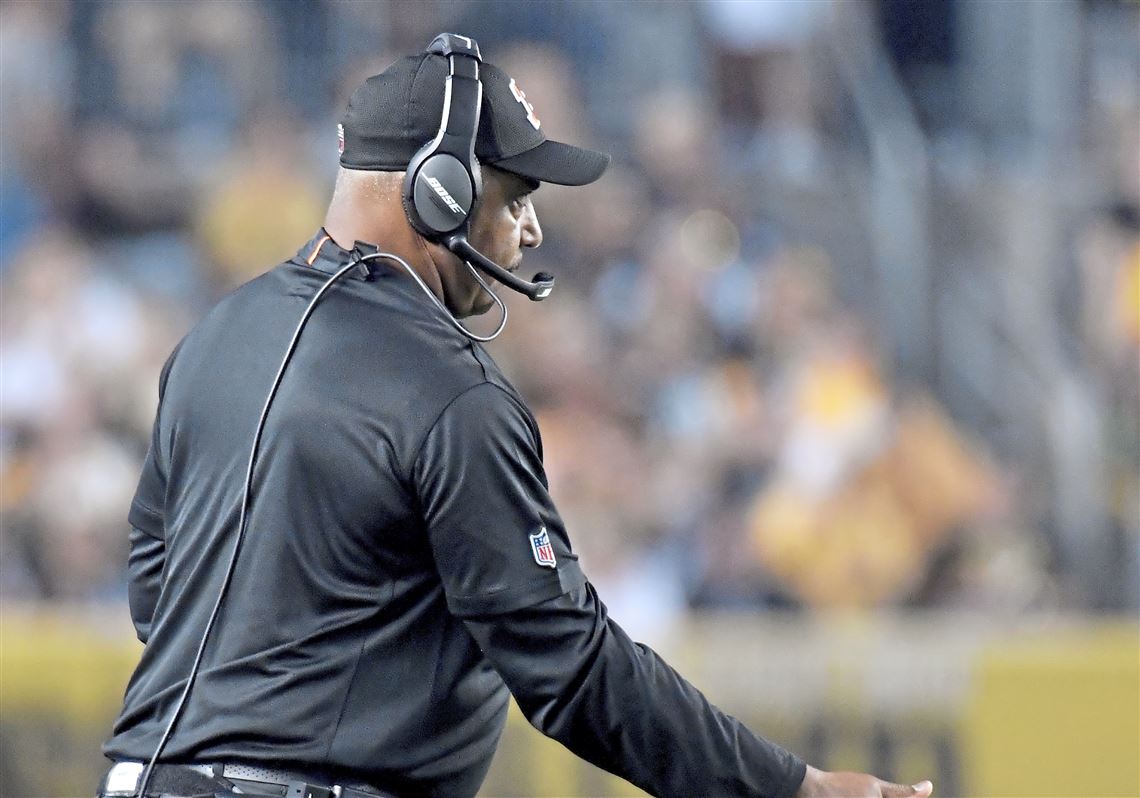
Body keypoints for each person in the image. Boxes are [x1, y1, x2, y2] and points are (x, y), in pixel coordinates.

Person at [98, 35, 935, 798]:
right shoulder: (448, 388)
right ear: (439, 187)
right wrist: (793, 789)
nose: (532, 228)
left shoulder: (214, 335)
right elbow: (569, 668)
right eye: (515, 196)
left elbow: (154, 591)